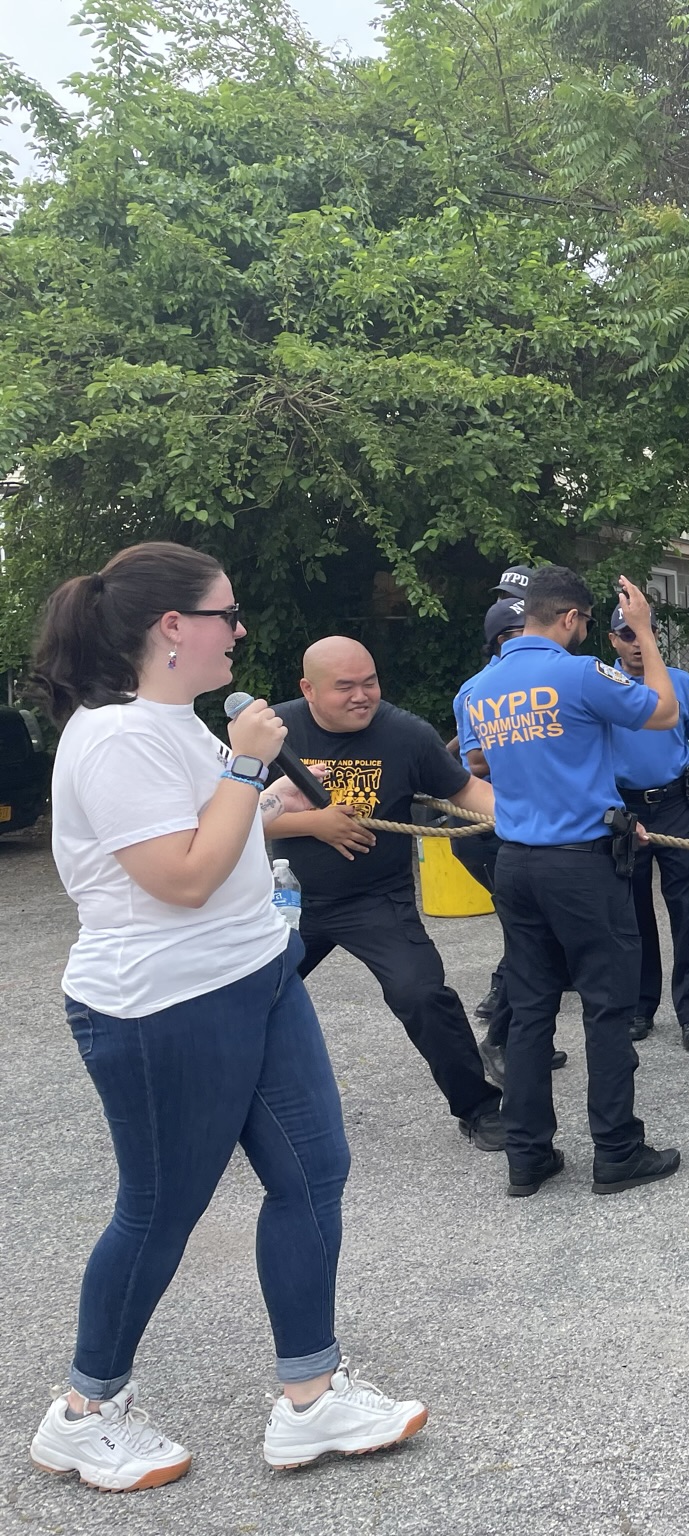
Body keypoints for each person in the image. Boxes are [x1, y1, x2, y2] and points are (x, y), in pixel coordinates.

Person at [27, 541, 425, 1492]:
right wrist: (247, 767)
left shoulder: (183, 724)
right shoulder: (114, 736)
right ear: (173, 627)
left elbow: (221, 827)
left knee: (314, 1173)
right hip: (163, 1004)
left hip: (258, 973)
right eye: (225, 614)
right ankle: (85, 1413)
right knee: (160, 1210)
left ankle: (311, 1397)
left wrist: (260, 788)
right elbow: (182, 878)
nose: (239, 631)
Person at [471, 565, 683, 1199]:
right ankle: (617, 1150)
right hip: (582, 864)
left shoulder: (479, 689)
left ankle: (527, 1154)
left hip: (516, 860)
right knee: (607, 1006)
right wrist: (645, 631)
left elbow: (481, 762)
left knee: (531, 1010)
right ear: (568, 618)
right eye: (586, 621)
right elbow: (665, 711)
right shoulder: (582, 673)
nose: (586, 631)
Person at [270, 637, 504, 1147]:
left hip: (375, 900)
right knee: (245, 999)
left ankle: (480, 1108)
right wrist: (313, 824)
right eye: (345, 687)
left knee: (422, 994)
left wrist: (547, 819)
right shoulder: (273, 733)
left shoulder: (405, 734)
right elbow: (227, 819)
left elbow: (468, 792)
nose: (362, 696)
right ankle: (229, 1112)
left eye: (370, 682)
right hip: (287, 901)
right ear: (308, 689)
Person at [452, 596, 567, 1085]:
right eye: (526, 630)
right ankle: (498, 1040)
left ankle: (526, 1039)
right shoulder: (479, 689)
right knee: (531, 941)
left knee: (537, 937)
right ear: (504, 640)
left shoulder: (539, 682)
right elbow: (476, 762)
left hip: (525, 828)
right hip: (489, 829)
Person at [608, 604, 689, 1049]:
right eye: (627, 635)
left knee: (686, 913)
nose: (638, 643)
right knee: (632, 913)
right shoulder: (602, 684)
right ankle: (640, 1006)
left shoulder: (680, 682)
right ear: (613, 640)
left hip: (675, 804)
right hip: (625, 810)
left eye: (644, 633)